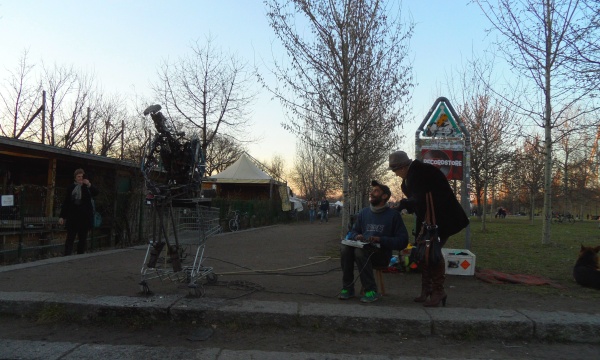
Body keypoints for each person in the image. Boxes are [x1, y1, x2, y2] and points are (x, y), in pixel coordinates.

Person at [389, 150, 469, 307]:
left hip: (442, 221)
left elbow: (421, 200)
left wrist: (403, 205)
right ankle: (427, 289)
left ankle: (438, 291)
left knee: (433, 253)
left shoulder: (420, 173)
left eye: (395, 171)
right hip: (430, 222)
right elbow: (420, 201)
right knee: (423, 254)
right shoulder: (414, 174)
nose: (396, 174)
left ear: (402, 167)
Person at [339, 180, 409, 303]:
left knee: (360, 252)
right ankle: (347, 288)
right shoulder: (364, 213)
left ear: (385, 196)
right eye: (372, 190)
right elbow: (353, 232)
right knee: (345, 249)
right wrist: (357, 236)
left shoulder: (394, 215)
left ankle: (371, 290)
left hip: (381, 255)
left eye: (376, 191)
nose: (371, 193)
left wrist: (381, 239)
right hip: (362, 250)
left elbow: (402, 241)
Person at [59, 168, 99, 255]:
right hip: (73, 217)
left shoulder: (87, 187)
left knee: (82, 239)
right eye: (78, 176)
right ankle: (67, 255)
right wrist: (62, 216)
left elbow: (96, 192)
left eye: (82, 176)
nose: (80, 178)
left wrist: (88, 184)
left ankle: (80, 256)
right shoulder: (71, 188)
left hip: (84, 217)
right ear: (75, 178)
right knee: (70, 238)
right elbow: (66, 202)